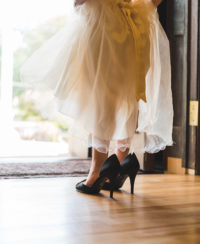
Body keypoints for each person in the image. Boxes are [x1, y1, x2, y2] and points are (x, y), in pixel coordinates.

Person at [20, 0, 174, 198]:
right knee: (127, 96)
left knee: (103, 97)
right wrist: (147, 6)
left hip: (105, 21)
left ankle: (96, 174)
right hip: (137, 23)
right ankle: (121, 163)